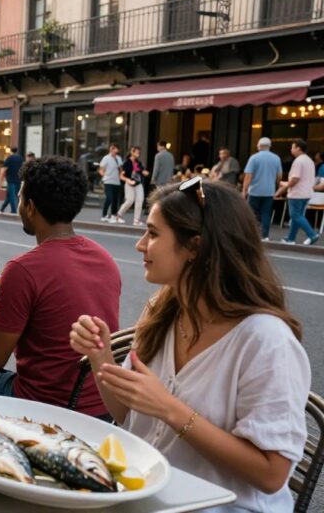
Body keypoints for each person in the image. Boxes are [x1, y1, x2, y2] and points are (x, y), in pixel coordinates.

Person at [70, 180, 310, 512]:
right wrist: (101, 357)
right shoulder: (163, 311)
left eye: (153, 234)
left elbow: (271, 474)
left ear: (195, 248)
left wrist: (170, 409)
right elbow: (126, 414)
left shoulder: (266, 341)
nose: (141, 245)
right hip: (148, 497)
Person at [0, 157, 120, 416]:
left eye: (21, 197)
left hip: (41, 404)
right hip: (100, 406)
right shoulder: (105, 258)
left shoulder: (24, 269)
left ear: (30, 206)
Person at [278, 139, 320, 245]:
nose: (291, 149)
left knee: (296, 216)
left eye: (293, 147)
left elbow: (295, 179)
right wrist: (286, 184)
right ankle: (291, 238)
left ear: (298, 148)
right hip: (307, 192)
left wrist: (285, 186)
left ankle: (312, 234)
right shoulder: (309, 160)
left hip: (297, 193)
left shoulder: (298, 161)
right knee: (298, 216)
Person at [242, 137, 282, 241]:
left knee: (251, 213)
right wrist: (277, 186)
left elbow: (248, 175)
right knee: (266, 213)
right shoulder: (276, 158)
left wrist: (244, 190)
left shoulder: (254, 158)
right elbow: (279, 176)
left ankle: (251, 234)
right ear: (269, 146)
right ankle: (265, 236)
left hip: (255, 190)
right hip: (269, 191)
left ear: (259, 146)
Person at [115, 146, 149, 226]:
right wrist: (128, 180)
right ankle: (118, 215)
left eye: (139, 152)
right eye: (137, 152)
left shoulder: (139, 163)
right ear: (132, 152)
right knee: (130, 201)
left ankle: (136, 220)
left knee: (140, 200)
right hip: (129, 183)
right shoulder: (127, 163)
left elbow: (141, 171)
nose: (138, 154)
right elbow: (121, 176)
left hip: (138, 183)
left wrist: (144, 172)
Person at [99, 144, 123, 222]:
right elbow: (101, 170)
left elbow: (121, 169)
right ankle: (104, 215)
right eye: (112, 149)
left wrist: (121, 175)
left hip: (116, 181)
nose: (113, 150)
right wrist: (104, 175)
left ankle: (113, 215)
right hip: (108, 181)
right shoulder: (106, 158)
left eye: (115, 149)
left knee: (115, 199)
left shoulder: (118, 158)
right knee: (109, 198)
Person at [0, 147, 24, 214]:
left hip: (11, 180)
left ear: (11, 151)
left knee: (12, 196)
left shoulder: (9, 158)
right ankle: (2, 209)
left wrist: (0, 182)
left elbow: (3, 170)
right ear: (17, 151)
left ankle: (13, 211)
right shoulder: (20, 158)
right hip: (18, 180)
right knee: (9, 196)